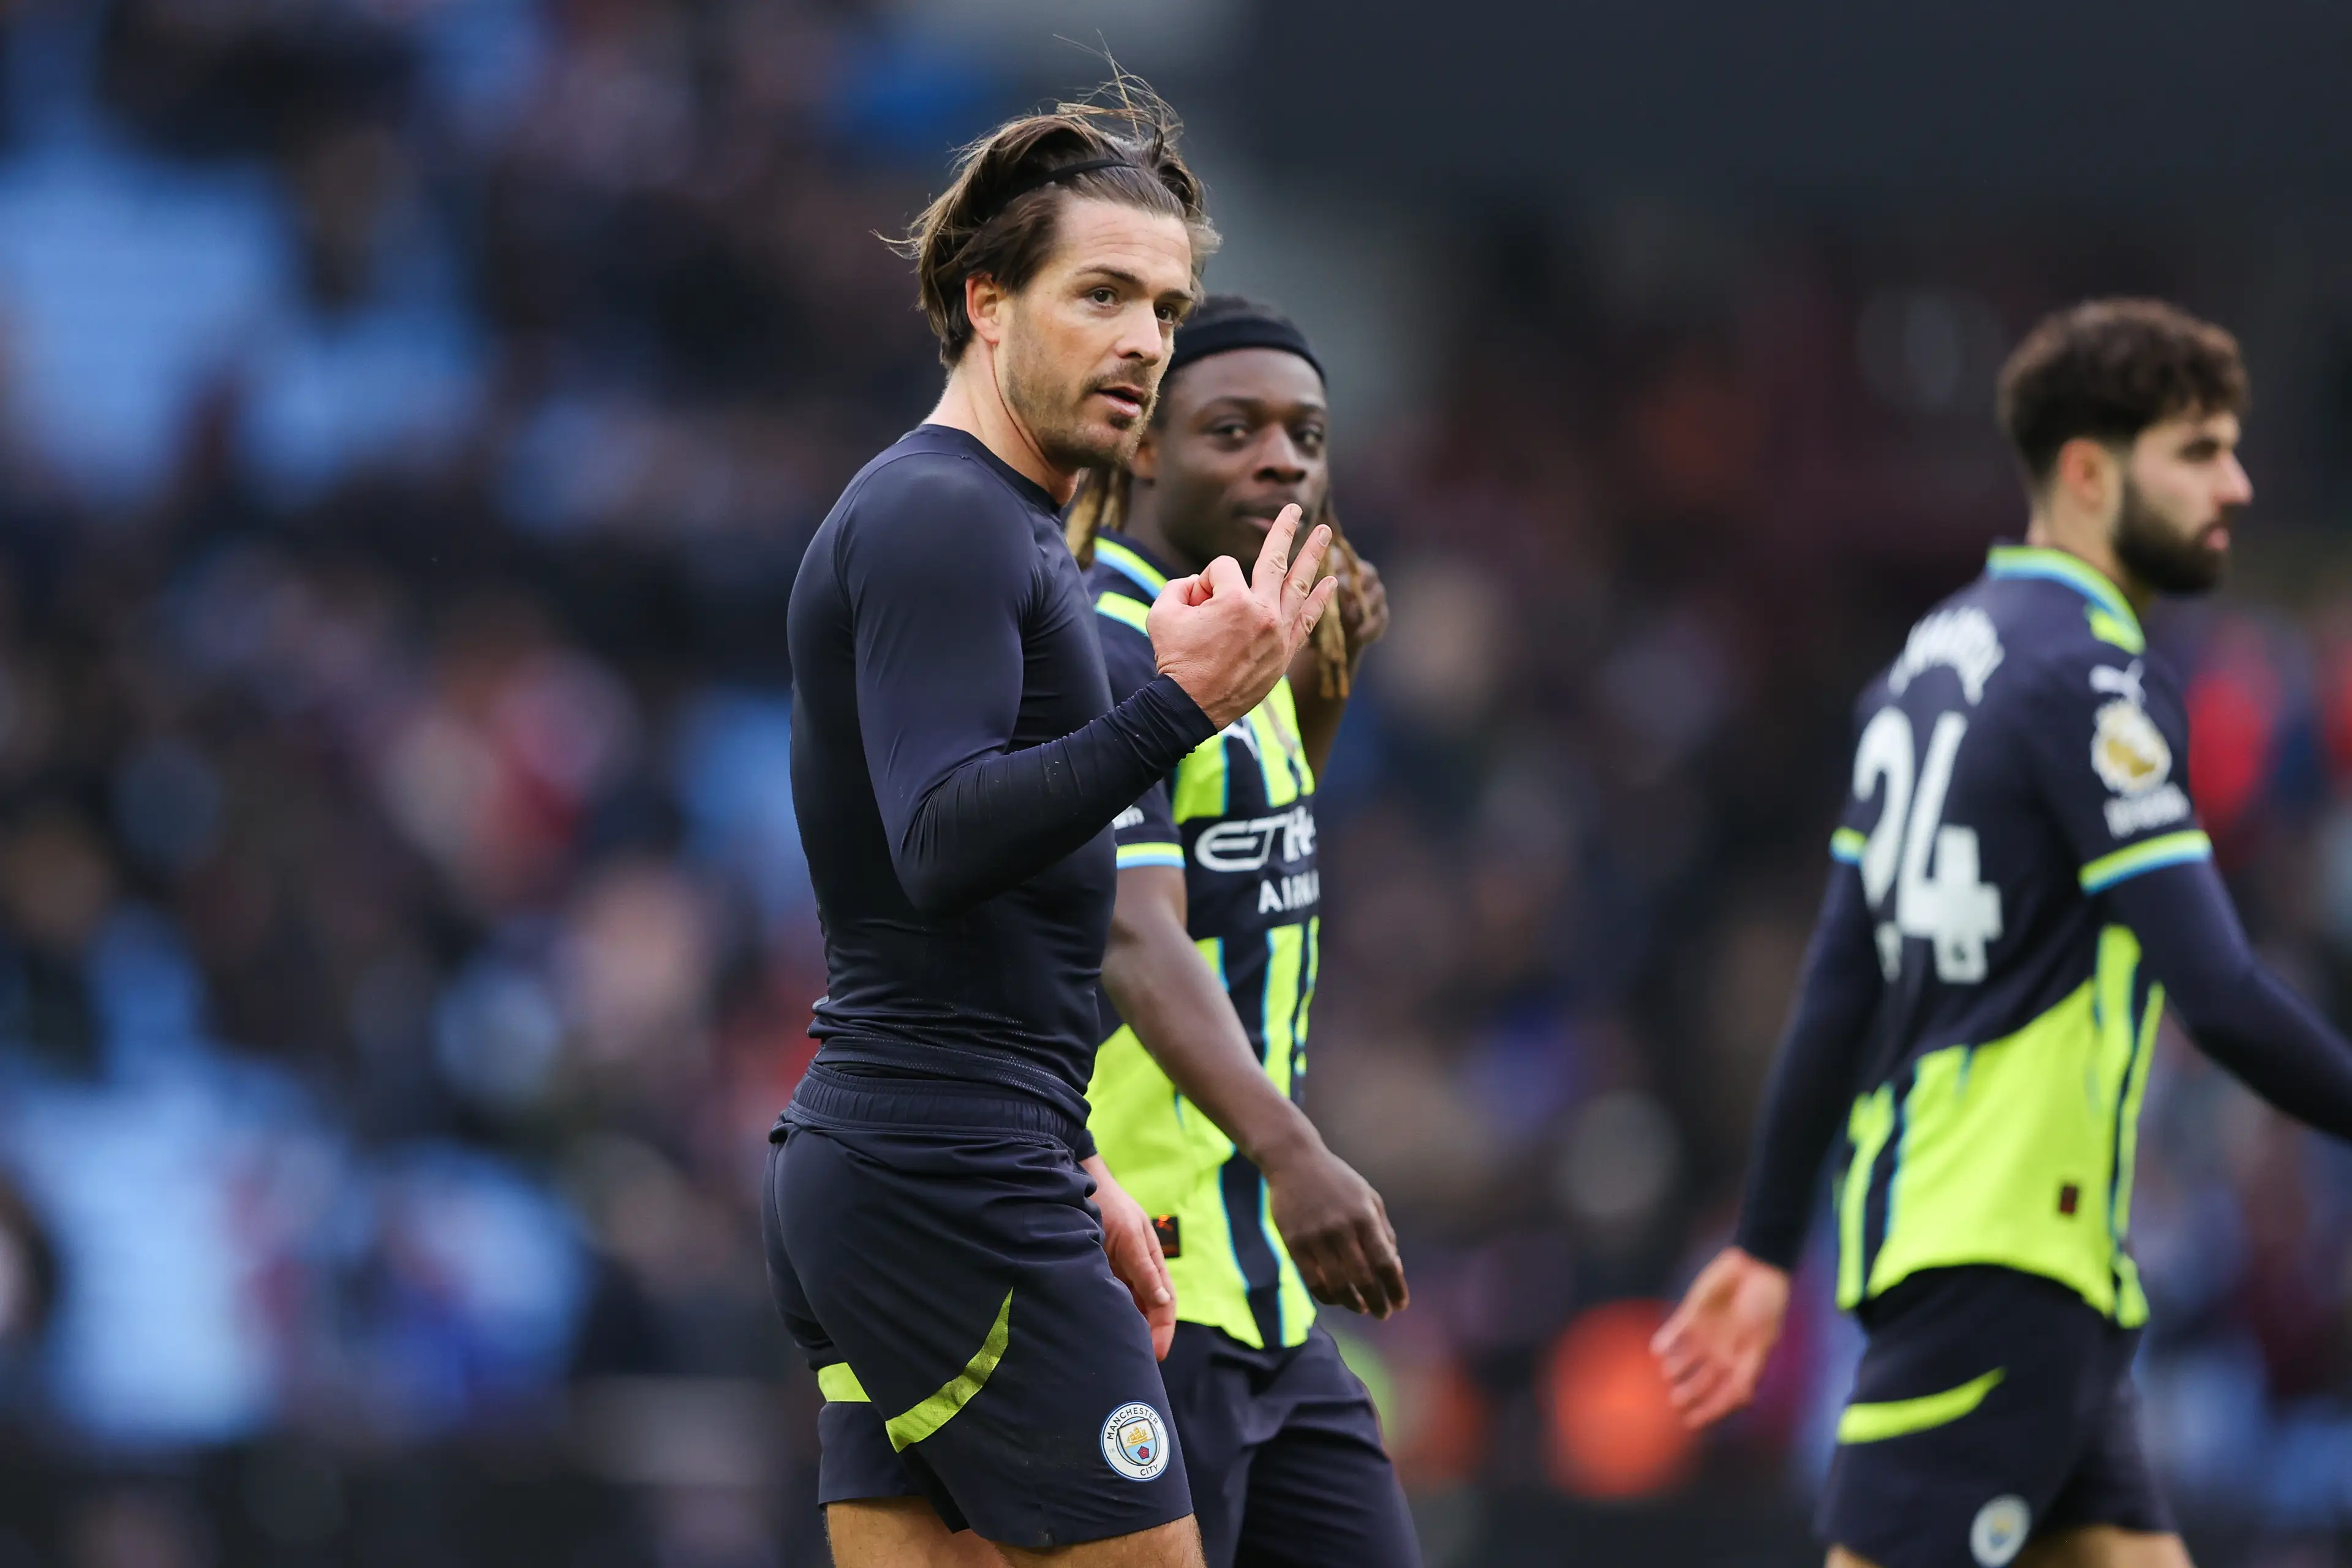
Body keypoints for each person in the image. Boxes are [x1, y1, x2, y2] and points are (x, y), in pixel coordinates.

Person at [1651, 299, 2352, 1568]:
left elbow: (1834, 989)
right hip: (1999, 1252)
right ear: (2087, 471)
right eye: (2197, 450)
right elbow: (2222, 989)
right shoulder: (2090, 673)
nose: (2235, 483)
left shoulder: (1924, 663)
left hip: (2014, 1253)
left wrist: (1764, 1245)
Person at [766, 82, 1338, 1568]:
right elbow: (941, 839)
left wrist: (1072, 1154)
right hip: (948, 1172)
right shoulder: (946, 517)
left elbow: (967, 925)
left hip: (949, 1148)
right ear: (985, 302)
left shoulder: (1003, 523)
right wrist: (1179, 705)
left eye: (1166, 302)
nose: (1147, 340)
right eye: (1102, 294)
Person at [1066, 296, 1421, 1568]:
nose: (1283, 458)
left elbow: (1239, 871)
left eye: (1307, 433)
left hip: (1259, 1290)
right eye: (1237, 427)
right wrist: (1294, 1153)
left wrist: (1323, 691)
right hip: (1146, 1279)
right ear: (1146, 449)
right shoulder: (1107, 645)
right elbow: (1134, 937)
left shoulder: (1236, 644)